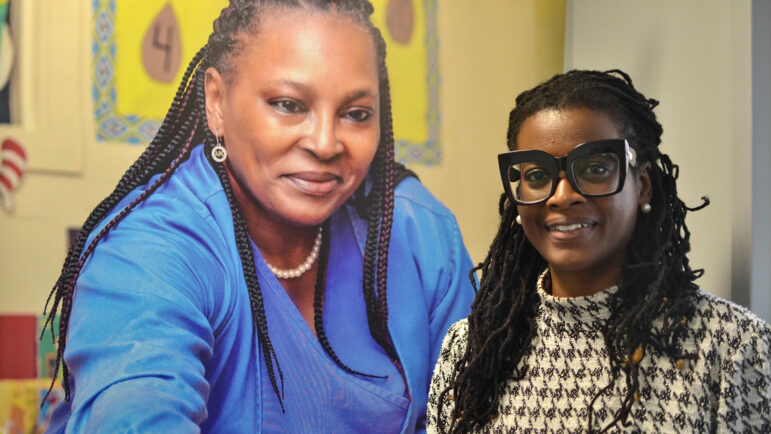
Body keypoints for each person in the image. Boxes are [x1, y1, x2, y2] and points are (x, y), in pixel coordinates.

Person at [42, 1, 475, 432]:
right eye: (288, 104)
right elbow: (135, 410)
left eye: (356, 114)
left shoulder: (418, 231)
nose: (325, 143)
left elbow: (477, 411)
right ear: (217, 101)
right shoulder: (150, 247)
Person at [427, 69, 771, 433]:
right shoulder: (471, 349)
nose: (562, 196)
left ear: (643, 186)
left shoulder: (733, 347)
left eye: (594, 168)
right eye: (537, 175)